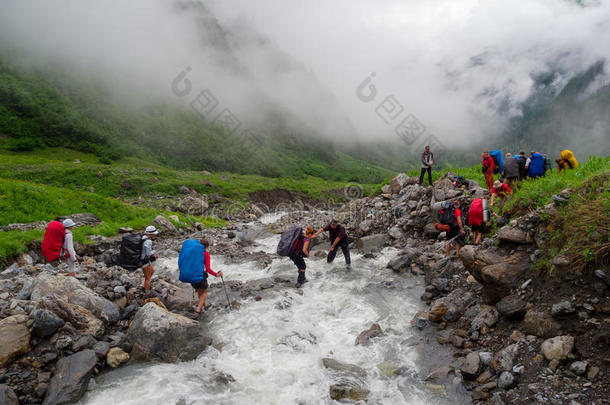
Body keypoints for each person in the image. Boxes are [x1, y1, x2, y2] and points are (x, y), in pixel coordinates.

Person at [193, 239, 223, 313]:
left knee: (200, 291)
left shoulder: (193, 253)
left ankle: (205, 305)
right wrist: (216, 274)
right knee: (205, 292)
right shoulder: (206, 254)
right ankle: (198, 309)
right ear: (207, 246)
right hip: (200, 275)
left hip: (192, 275)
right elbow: (208, 269)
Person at [140, 225, 159, 293]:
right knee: (147, 278)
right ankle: (147, 292)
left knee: (152, 271)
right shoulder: (148, 241)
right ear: (150, 233)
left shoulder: (143, 237)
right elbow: (148, 253)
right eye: (153, 233)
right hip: (144, 261)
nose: (154, 235)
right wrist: (154, 252)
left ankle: (146, 285)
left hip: (143, 259)